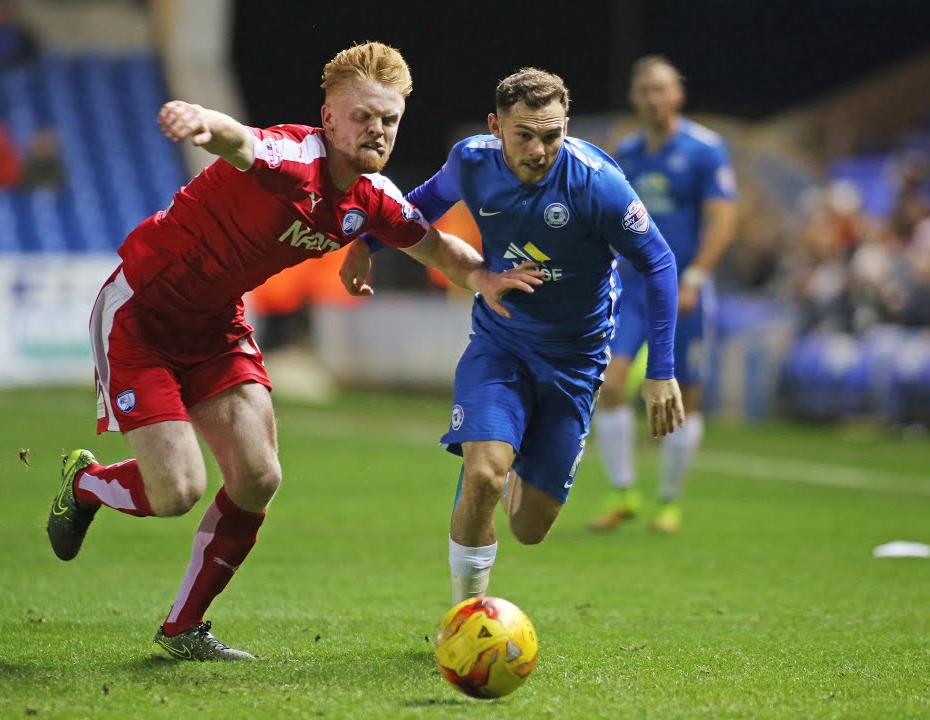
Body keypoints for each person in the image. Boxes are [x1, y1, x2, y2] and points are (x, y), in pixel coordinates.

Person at [45, 41, 539, 663]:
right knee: (176, 492)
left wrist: (487, 279)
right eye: (364, 116)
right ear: (329, 118)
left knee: (258, 478)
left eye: (389, 120)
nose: (378, 130)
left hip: (216, 326)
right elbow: (240, 141)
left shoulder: (372, 200)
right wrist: (203, 122)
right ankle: (86, 483)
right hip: (141, 314)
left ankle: (182, 632)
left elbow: (439, 249)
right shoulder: (293, 156)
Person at [340, 67, 685, 607]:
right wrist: (367, 242)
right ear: (495, 126)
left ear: (565, 126)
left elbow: (659, 262)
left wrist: (661, 371)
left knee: (528, 526)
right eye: (524, 134)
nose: (539, 149)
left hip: (576, 359)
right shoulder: (471, 161)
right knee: (482, 477)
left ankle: (504, 446)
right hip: (502, 339)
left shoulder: (597, 183)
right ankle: (464, 617)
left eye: (552, 135)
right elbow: (421, 206)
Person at [586, 55, 738, 533]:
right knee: (610, 385)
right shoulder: (626, 154)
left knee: (684, 397)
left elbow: (723, 220)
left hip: (682, 290)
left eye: (662, 89)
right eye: (645, 90)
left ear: (679, 94)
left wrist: (694, 276)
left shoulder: (704, 150)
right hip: (629, 290)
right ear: (634, 98)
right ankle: (623, 492)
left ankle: (668, 502)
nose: (654, 99)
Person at [0, 0, 41, 71]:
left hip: (17, 70)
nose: (3, 15)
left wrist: (15, 63)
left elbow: (31, 55)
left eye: (6, 12)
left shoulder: (23, 34)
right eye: (1, 12)